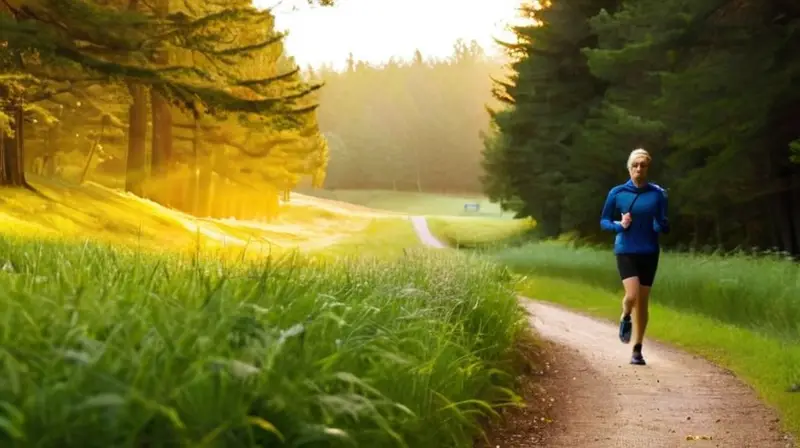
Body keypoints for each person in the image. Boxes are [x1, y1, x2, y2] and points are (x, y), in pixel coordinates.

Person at [599, 148, 670, 366]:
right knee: (631, 296)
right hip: (626, 249)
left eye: (643, 165)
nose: (639, 169)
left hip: (649, 251)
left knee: (643, 302)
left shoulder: (658, 194)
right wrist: (619, 225)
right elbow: (603, 221)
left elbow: (663, 222)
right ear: (629, 168)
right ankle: (625, 315)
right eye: (635, 165)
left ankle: (637, 349)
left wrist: (661, 225)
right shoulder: (617, 193)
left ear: (647, 168)